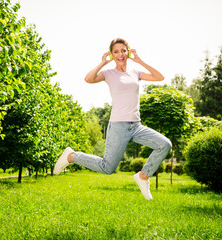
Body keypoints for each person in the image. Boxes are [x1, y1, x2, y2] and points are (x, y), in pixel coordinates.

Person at [54, 38, 172, 200]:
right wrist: (102, 63)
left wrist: (140, 61)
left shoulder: (136, 73)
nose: (120, 54)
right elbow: (88, 79)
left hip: (136, 126)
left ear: (128, 51)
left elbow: (159, 77)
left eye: (123, 50)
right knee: (107, 167)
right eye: (116, 51)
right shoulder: (109, 73)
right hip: (118, 126)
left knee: (165, 144)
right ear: (111, 54)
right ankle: (72, 156)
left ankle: (143, 176)